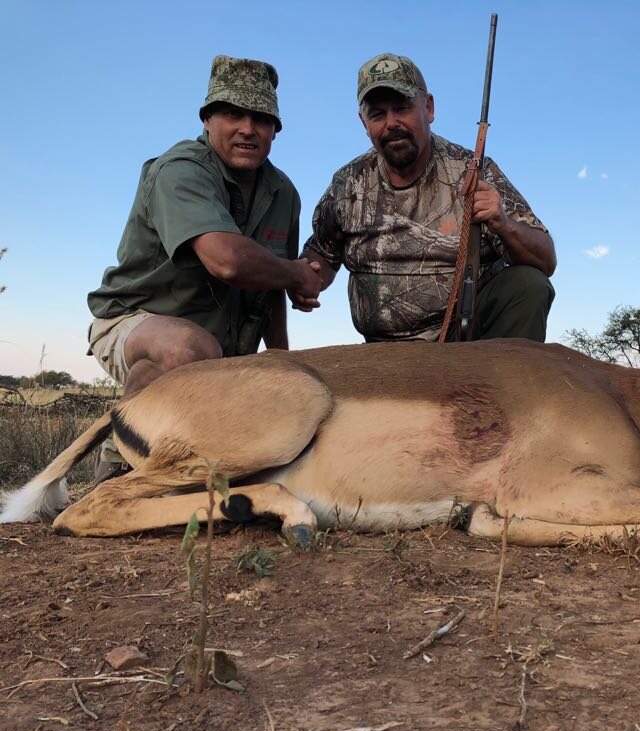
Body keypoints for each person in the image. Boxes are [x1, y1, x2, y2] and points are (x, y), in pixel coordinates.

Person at [87, 55, 322, 481]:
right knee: (186, 350)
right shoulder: (180, 169)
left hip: (221, 354)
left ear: (275, 130)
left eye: (262, 118)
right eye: (233, 114)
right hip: (135, 324)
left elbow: (268, 282)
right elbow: (229, 262)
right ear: (208, 119)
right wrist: (298, 275)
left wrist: (282, 360)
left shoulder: (283, 192)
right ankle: (117, 464)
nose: (248, 129)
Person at [302, 53, 556, 343]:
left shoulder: (473, 170)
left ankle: (507, 384)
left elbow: (546, 260)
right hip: (383, 349)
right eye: (377, 114)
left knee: (528, 285)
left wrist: (503, 224)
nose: (392, 123)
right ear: (364, 122)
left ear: (429, 108)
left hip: (468, 340)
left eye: (402, 108)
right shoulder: (347, 183)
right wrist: (306, 278)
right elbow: (321, 252)